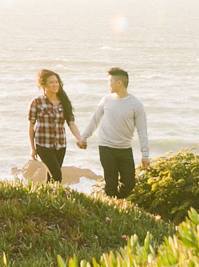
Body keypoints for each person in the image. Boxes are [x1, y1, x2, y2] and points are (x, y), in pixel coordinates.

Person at [78, 67, 149, 198]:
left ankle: (118, 202)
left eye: (110, 81)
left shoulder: (136, 105)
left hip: (124, 148)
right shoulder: (106, 100)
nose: (108, 84)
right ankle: (112, 211)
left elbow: (142, 131)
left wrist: (145, 155)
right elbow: (95, 121)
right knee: (111, 184)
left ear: (119, 83)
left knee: (129, 183)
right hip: (106, 147)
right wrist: (83, 138)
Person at [27, 69, 83, 183]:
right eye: (51, 82)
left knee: (51, 176)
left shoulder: (64, 102)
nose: (55, 85)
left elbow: (71, 123)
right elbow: (31, 127)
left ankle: (47, 197)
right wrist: (32, 148)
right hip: (43, 145)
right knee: (57, 175)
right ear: (43, 85)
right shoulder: (36, 102)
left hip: (60, 145)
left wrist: (80, 139)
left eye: (56, 82)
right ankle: (56, 197)